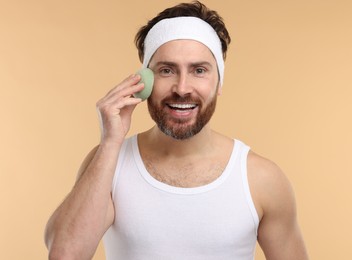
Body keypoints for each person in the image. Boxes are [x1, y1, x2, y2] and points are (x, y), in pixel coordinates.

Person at [44, 1, 309, 259]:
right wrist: (111, 142)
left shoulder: (261, 179)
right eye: (167, 70)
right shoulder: (109, 163)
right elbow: (64, 255)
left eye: (199, 70)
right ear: (143, 81)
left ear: (219, 82)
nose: (182, 88)